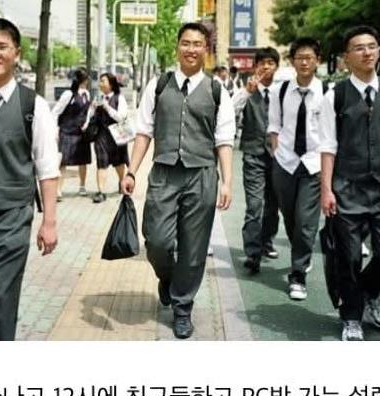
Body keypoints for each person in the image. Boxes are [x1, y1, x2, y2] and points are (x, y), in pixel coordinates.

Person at [121, 22, 235, 339]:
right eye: (186, 43)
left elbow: (224, 139)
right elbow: (144, 131)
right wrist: (131, 170)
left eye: (197, 44)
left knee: (193, 248)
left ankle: (183, 308)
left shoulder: (217, 91)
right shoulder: (158, 85)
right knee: (156, 240)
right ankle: (168, 278)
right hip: (164, 173)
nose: (191, 49)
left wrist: (227, 181)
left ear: (206, 50)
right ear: (177, 47)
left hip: (202, 176)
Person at [0, 18, 59, 340]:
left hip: (10, 219)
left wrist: (49, 222)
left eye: (2, 47)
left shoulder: (33, 106)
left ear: (17, 53)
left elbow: (47, 167)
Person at [320, 25, 380, 341]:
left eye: (372, 46)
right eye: (359, 47)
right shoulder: (336, 96)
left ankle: (366, 291)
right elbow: (328, 146)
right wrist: (326, 189)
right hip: (347, 190)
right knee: (350, 257)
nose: (367, 52)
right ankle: (352, 317)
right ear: (347, 57)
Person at [268, 37, 324, 300]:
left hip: (314, 163)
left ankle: (298, 274)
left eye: (309, 58)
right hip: (285, 162)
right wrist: (277, 151)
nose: (304, 62)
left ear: (317, 61)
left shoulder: (327, 93)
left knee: (305, 221)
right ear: (292, 61)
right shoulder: (279, 91)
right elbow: (274, 126)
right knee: (290, 218)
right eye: (299, 58)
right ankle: (301, 252)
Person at [233, 47, 280, 274]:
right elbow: (230, 111)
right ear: (255, 67)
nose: (266, 67)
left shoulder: (282, 92)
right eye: (262, 63)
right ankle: (252, 253)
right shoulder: (247, 90)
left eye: (271, 63)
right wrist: (246, 92)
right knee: (254, 206)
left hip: (279, 157)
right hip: (253, 155)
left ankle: (267, 241)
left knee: (272, 206)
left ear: (276, 67)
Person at [52, 68, 91, 200]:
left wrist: (86, 124)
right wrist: (55, 130)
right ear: (83, 80)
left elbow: (87, 112)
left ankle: (82, 186)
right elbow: (55, 112)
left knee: (83, 160)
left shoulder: (86, 94)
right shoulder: (68, 94)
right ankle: (58, 190)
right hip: (67, 131)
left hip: (81, 132)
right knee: (63, 162)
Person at [90, 72, 128, 203]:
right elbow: (90, 116)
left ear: (111, 84)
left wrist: (107, 108)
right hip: (101, 135)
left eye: (103, 81)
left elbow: (121, 117)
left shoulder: (119, 98)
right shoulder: (98, 98)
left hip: (117, 135)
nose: (100, 84)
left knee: (119, 162)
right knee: (101, 163)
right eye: (100, 81)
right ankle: (101, 191)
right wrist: (92, 108)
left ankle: (122, 183)